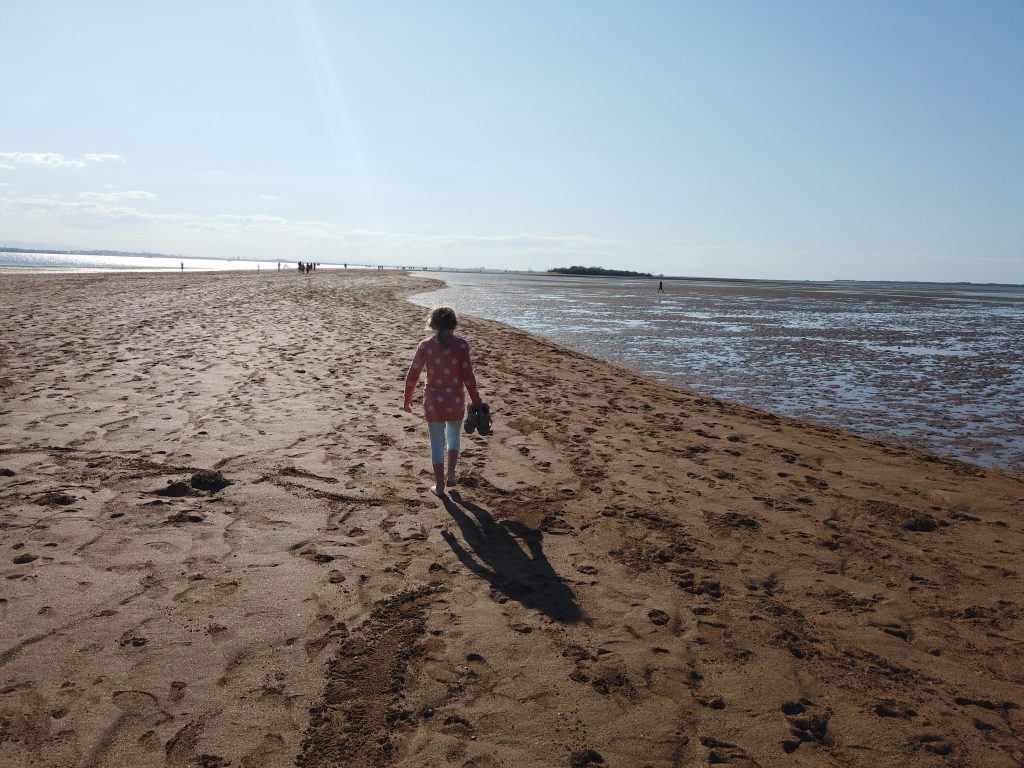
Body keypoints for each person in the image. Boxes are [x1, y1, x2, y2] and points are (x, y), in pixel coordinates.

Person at [404, 306, 483, 497]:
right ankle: (452, 473)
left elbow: (413, 374)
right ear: (454, 324)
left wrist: (407, 398)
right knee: (454, 436)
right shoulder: (462, 345)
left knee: (437, 442)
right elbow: (468, 376)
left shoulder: (425, 345)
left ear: (433, 323)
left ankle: (439, 486)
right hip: (455, 399)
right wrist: (476, 401)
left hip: (433, 401)